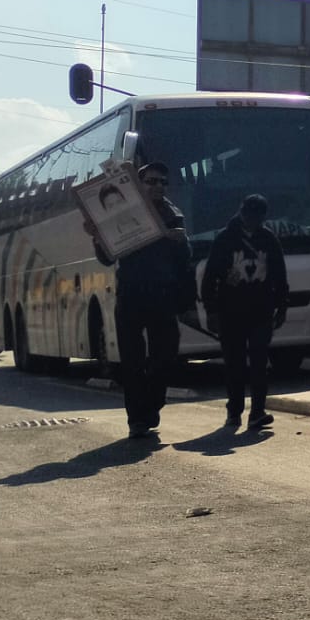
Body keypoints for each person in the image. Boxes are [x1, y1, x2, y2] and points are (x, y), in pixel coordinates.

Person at [85, 160, 196, 441]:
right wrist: (98, 237)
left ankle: (152, 404)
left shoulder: (173, 216)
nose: (158, 186)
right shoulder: (119, 214)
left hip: (163, 297)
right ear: (138, 185)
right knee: (132, 361)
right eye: (151, 181)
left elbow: (185, 261)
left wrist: (179, 242)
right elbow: (107, 258)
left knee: (165, 358)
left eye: (162, 182)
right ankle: (137, 419)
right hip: (131, 296)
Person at [202, 193, 289, 432]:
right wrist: (211, 311)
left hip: (261, 311)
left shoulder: (269, 239)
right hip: (230, 312)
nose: (252, 220)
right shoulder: (225, 239)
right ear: (242, 213)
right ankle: (234, 412)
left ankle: (257, 412)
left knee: (260, 363)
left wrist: (282, 307)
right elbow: (210, 277)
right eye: (248, 215)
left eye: (257, 216)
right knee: (234, 364)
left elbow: (279, 275)